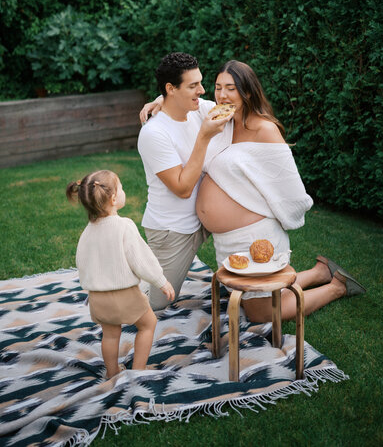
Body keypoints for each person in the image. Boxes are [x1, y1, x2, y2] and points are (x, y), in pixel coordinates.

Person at [195, 60, 366, 321]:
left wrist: (282, 214)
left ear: (247, 92)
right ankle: (320, 272)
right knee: (245, 297)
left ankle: (336, 287)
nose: (221, 95)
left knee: (259, 312)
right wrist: (160, 101)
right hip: (227, 241)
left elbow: (288, 183)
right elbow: (187, 100)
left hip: (255, 237)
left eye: (230, 88)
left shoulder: (264, 129)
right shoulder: (223, 121)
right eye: (218, 87)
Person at [137, 52, 234, 310]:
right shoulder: (153, 133)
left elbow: (235, 107)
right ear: (171, 88)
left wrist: (160, 98)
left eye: (200, 83)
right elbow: (182, 188)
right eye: (193, 86)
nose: (202, 91)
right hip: (172, 232)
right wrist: (203, 137)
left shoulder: (198, 109)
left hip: (205, 214)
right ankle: (127, 279)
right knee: (155, 305)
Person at [66, 169, 175, 379]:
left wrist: (92, 286)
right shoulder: (124, 226)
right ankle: (139, 369)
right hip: (124, 295)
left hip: (98, 297)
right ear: (115, 198)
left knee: (110, 334)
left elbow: (82, 262)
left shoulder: (87, 232)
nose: (124, 191)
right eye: (122, 187)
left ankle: (112, 371)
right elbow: (141, 259)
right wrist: (160, 280)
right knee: (148, 324)